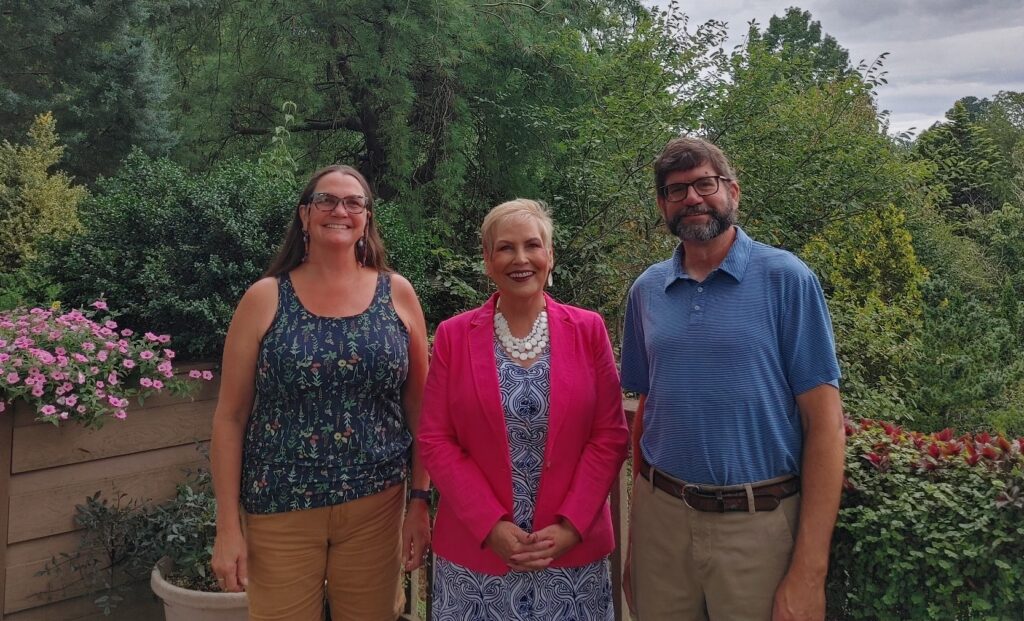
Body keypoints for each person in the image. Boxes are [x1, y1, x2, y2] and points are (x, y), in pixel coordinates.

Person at [621, 137, 845, 621]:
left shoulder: (788, 279)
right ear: (662, 204)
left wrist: (810, 571)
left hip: (758, 526)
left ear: (733, 192)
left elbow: (826, 426)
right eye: (675, 190)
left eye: (705, 183)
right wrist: (637, 541)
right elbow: (647, 414)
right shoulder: (646, 292)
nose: (692, 198)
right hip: (662, 525)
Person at [209, 165, 431, 621]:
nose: (339, 210)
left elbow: (420, 409)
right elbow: (230, 418)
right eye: (326, 200)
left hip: (377, 505)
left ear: (367, 219)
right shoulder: (264, 298)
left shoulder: (398, 294)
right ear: (305, 215)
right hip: (280, 507)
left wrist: (420, 500)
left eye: (353, 202)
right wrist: (227, 527)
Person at [419, 199, 629, 620]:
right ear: (487, 260)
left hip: (570, 555)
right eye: (505, 248)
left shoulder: (588, 330)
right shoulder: (453, 336)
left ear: (550, 255)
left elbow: (609, 435)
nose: (520, 259)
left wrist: (572, 526)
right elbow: (435, 439)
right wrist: (489, 524)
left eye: (532, 245)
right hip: (477, 557)